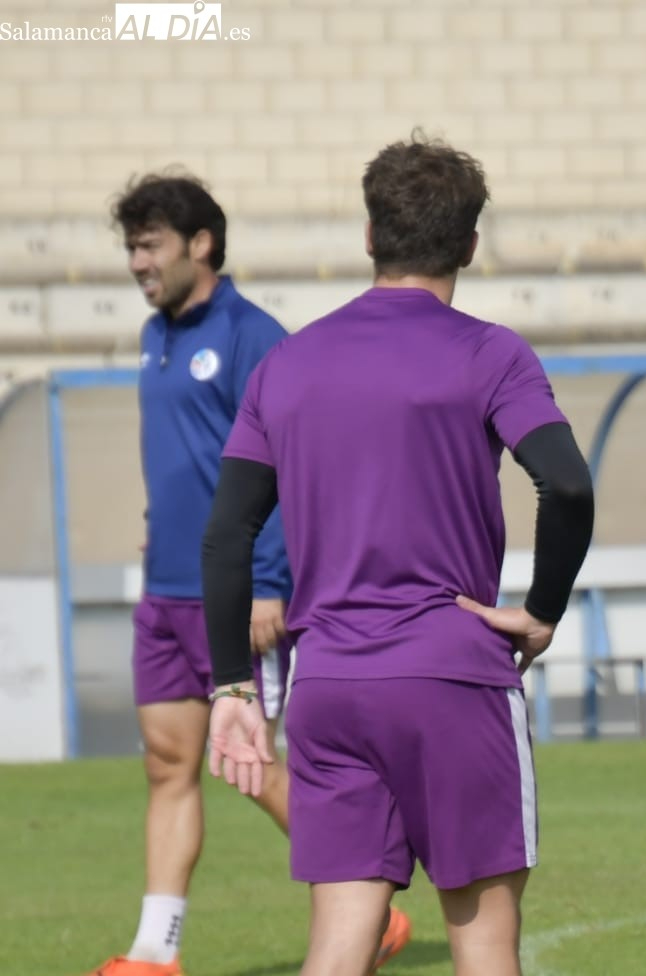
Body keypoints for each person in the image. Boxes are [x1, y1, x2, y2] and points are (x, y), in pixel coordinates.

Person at [200, 134, 595, 976]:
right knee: (484, 950)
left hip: (329, 686)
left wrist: (233, 681)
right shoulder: (491, 353)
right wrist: (543, 610)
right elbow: (566, 487)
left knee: (338, 951)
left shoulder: (286, 363)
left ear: (371, 236)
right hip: (452, 679)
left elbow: (228, 531)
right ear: (470, 246)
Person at [88, 174, 410, 976]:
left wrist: (269, 579)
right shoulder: (153, 335)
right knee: (169, 764)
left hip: (237, 595)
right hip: (164, 589)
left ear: (200, 244)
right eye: (131, 246)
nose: (137, 261)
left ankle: (369, 909)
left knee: (255, 765)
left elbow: (286, 468)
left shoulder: (253, 337)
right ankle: (153, 953)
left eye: (150, 243)